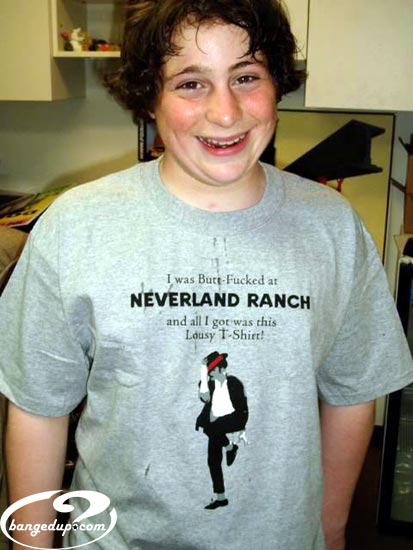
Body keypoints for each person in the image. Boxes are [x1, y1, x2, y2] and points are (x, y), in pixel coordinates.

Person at [0, 1, 412, 549]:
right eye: (191, 83)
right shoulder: (76, 226)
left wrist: (331, 531)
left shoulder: (333, 228)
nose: (224, 112)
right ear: (150, 96)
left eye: (246, 77)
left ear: (277, 83)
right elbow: (38, 408)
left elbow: (352, 391)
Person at [196, 351, 249, 509]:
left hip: (234, 419)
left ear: (220, 369)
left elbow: (240, 408)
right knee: (213, 461)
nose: (210, 376)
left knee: (210, 427)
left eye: (211, 373)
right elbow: (204, 397)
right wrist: (203, 371)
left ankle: (229, 446)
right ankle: (221, 498)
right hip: (216, 425)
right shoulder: (211, 385)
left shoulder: (233, 383)